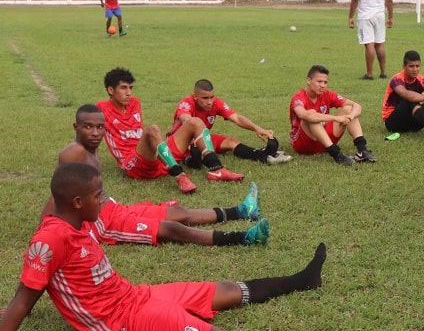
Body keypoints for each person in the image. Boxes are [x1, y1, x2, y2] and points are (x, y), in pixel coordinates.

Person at [0, 163, 351, 331]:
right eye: (97, 195)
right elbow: (24, 299)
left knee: (223, 289)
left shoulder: (79, 221)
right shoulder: (50, 240)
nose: (103, 199)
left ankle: (303, 280)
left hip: (134, 295)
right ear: (76, 201)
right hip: (120, 322)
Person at [51, 105, 269, 247]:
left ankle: (242, 211)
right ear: (76, 127)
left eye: (100, 127)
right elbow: (57, 197)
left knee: (177, 212)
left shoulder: (90, 146)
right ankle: (244, 238)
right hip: (103, 223)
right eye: (88, 127)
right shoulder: (73, 154)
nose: (96, 133)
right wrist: (47, 236)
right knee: (172, 229)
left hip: (113, 208)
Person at [98, 68, 243, 194]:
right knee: (153, 129)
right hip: (133, 164)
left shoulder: (134, 103)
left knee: (195, 121)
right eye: (123, 88)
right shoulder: (100, 109)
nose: (129, 93)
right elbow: (88, 135)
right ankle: (180, 176)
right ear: (111, 90)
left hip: (158, 159)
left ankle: (216, 169)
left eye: (130, 88)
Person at [168, 78, 292, 167]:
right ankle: (192, 159)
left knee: (231, 141)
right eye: (205, 98)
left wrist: (257, 128)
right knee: (195, 153)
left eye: (212, 97)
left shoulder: (216, 103)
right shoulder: (186, 103)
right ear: (195, 97)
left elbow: (237, 118)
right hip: (181, 143)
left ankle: (264, 156)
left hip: (200, 139)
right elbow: (187, 119)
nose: (210, 102)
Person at [289, 64, 376, 166]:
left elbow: (356, 106)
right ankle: (337, 155)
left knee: (348, 109)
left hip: (324, 139)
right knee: (312, 115)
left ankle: (363, 151)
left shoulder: (328, 94)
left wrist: (350, 116)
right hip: (304, 144)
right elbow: (303, 115)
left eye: (325, 82)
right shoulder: (299, 96)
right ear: (308, 80)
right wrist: (336, 118)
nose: (323, 85)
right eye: (319, 81)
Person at [347, 0, 393, 80]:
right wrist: (391, 18)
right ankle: (383, 72)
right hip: (380, 16)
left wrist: (350, 16)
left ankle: (369, 74)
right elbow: (389, 0)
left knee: (369, 45)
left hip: (365, 16)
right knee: (380, 44)